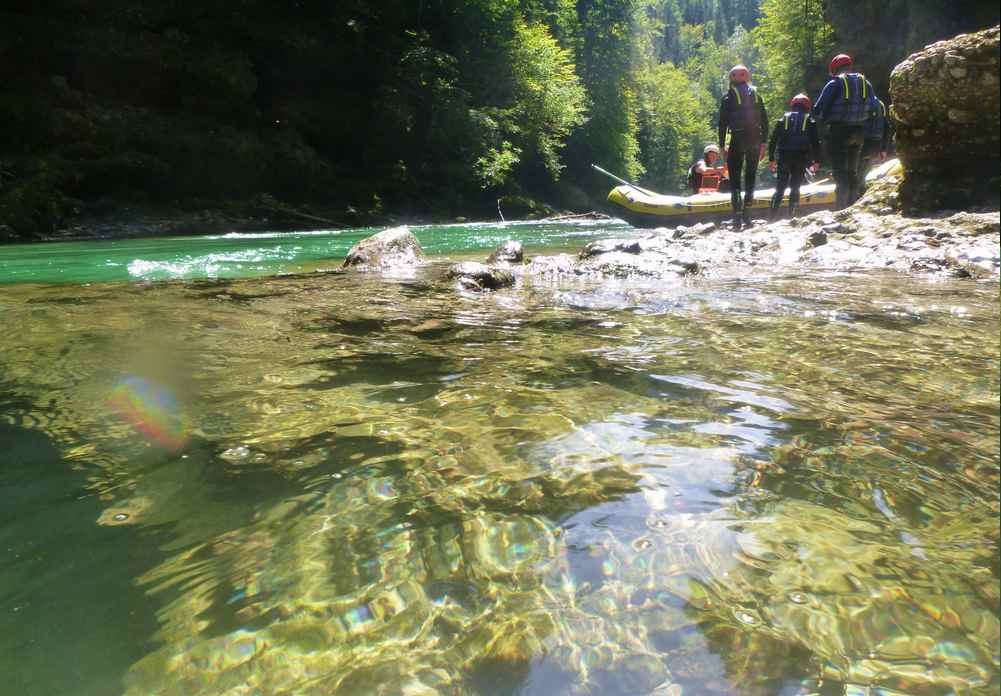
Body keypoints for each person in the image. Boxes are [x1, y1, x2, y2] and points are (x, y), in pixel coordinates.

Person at [813, 53, 879, 209]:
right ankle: (854, 206)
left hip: (839, 132)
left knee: (840, 172)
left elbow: (818, 109)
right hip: (859, 133)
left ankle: (841, 208)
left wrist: (821, 122)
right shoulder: (866, 83)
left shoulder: (835, 83)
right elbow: (875, 109)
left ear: (835, 68)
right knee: (852, 172)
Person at [718, 64, 768, 229]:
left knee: (735, 178)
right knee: (751, 176)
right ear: (747, 77)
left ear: (732, 79)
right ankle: (747, 216)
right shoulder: (757, 95)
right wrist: (764, 143)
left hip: (737, 138)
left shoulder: (728, 97)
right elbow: (765, 121)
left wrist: (721, 145)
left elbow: (722, 124)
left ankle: (737, 218)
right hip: (755, 138)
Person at [767, 93, 820, 220]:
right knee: (795, 187)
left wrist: (771, 159)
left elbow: (773, 140)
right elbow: (816, 143)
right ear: (807, 106)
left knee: (780, 188)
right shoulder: (810, 121)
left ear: (793, 105)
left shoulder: (783, 119)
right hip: (800, 159)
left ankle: (772, 217)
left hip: (784, 158)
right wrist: (817, 161)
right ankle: (792, 216)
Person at [857, 97, 890, 193]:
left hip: (860, 145)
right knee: (863, 174)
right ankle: (861, 194)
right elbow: (886, 127)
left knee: (854, 175)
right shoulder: (879, 103)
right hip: (875, 145)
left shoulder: (857, 102)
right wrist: (884, 149)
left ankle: (853, 199)